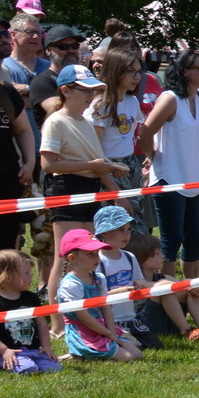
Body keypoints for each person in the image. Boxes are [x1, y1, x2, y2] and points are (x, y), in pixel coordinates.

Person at [40, 66, 126, 328]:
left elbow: (98, 165)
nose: (90, 96)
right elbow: (48, 164)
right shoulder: (56, 121)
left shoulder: (86, 122)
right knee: (65, 257)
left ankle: (84, 318)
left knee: (88, 255)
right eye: (85, 90)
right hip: (66, 188)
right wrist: (92, 165)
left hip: (90, 188)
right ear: (65, 91)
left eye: (93, 91)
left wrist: (117, 194)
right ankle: (57, 323)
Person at [140, 50, 199, 291]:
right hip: (169, 179)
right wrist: (153, 157)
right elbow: (144, 132)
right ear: (184, 72)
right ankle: (168, 296)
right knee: (171, 241)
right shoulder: (170, 99)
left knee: (194, 240)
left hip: (194, 179)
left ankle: (190, 293)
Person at [55, 228, 143, 362]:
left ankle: (84, 354)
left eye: (97, 253)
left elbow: (105, 307)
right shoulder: (71, 285)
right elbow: (83, 317)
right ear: (72, 258)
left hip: (102, 327)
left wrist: (112, 332)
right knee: (129, 358)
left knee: (138, 353)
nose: (97, 258)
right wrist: (108, 334)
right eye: (90, 254)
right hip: (84, 331)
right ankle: (80, 353)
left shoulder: (99, 278)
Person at [92, 205, 162, 352]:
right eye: (120, 230)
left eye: (128, 229)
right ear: (103, 233)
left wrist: (142, 285)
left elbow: (139, 281)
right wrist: (122, 291)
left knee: (156, 345)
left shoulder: (129, 257)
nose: (127, 234)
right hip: (111, 321)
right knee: (136, 347)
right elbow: (97, 297)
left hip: (131, 319)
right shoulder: (98, 261)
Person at [91, 48, 147, 226]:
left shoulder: (132, 101)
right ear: (116, 70)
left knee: (136, 222)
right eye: (131, 71)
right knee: (116, 228)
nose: (136, 77)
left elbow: (131, 136)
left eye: (139, 72)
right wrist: (116, 192)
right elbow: (95, 153)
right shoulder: (101, 105)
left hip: (130, 165)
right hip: (108, 170)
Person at [0, 58, 36, 256]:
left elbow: (24, 130)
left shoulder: (5, 91)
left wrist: (30, 161)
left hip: (5, 181)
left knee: (4, 250)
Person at [0, 249, 61, 373]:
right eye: (26, 273)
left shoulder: (31, 298)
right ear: (7, 276)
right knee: (28, 369)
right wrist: (4, 351)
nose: (31, 276)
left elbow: (41, 324)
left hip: (33, 350)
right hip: (7, 351)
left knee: (55, 368)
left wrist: (46, 347)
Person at [0, 15, 50, 95]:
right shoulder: (2, 67)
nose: (36, 37)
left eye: (38, 33)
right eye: (29, 31)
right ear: (13, 35)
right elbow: (7, 99)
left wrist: (27, 89)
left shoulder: (49, 67)